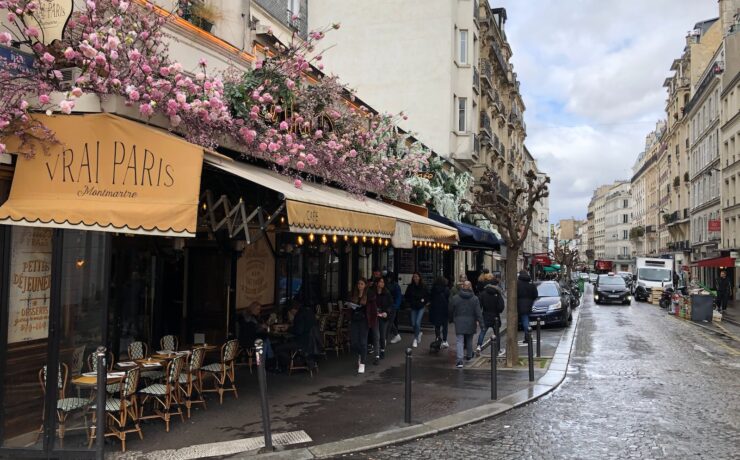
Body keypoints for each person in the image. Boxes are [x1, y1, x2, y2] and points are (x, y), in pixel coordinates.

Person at [449, 281, 484, 368]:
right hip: (471, 321)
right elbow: (478, 312)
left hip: (459, 321)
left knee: (459, 341)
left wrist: (451, 319)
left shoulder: (455, 298)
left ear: (462, 286)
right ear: (470, 287)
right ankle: (469, 356)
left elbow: (450, 309)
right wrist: (482, 324)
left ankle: (460, 360)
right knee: (469, 340)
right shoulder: (475, 299)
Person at [477, 275, 506, 356]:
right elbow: (501, 306)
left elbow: (479, 305)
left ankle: (478, 346)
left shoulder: (483, 293)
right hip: (495, 316)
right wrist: (498, 311)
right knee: (497, 333)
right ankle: (498, 349)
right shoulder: (497, 293)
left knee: (483, 332)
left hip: (485, 315)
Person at [367, 277, 393, 363]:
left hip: (384, 316)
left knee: (382, 336)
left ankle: (382, 350)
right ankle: (377, 356)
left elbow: (390, 305)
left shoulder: (387, 293)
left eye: (383, 282)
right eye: (380, 282)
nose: (381, 283)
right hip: (375, 316)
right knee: (376, 336)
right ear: (376, 283)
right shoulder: (372, 292)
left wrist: (386, 312)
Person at [291, 303, 322, 370]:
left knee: (280, 348)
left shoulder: (299, 315)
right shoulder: (309, 312)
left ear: (293, 310)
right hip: (311, 342)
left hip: (304, 343)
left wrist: (289, 329)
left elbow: (298, 331)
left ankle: (292, 363)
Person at [348, 278, 370, 374]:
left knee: (363, 342)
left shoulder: (368, 295)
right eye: (358, 284)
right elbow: (350, 309)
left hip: (364, 321)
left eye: (361, 284)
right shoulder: (354, 295)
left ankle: (362, 363)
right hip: (355, 320)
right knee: (354, 342)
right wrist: (350, 306)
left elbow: (371, 309)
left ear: (365, 285)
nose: (359, 286)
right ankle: (361, 354)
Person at [404, 272, 428, 348]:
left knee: (417, 322)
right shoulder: (410, 286)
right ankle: (419, 333)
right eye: (414, 277)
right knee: (413, 323)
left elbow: (427, 295)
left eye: (417, 277)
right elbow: (406, 295)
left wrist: (424, 301)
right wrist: (410, 302)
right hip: (413, 307)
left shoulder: (423, 286)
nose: (415, 278)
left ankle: (415, 338)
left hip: (421, 307)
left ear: (419, 277)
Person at [517, 270, 538, 343]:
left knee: (525, 319)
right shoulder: (531, 284)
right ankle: (527, 336)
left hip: (520, 304)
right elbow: (535, 295)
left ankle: (528, 335)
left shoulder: (517, 284)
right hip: (529, 304)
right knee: (526, 319)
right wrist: (530, 300)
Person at [429, 276, 451, 348]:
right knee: (445, 326)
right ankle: (444, 340)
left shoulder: (433, 289)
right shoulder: (446, 289)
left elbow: (431, 298)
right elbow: (449, 299)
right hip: (444, 310)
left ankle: (438, 338)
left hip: (435, 309)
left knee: (437, 325)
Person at [386, 272, 403, 344]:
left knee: (389, 322)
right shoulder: (394, 285)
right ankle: (396, 335)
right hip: (388, 305)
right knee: (389, 322)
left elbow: (398, 297)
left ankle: (385, 339)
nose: (388, 279)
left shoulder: (395, 286)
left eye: (390, 277)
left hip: (392, 306)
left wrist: (395, 306)